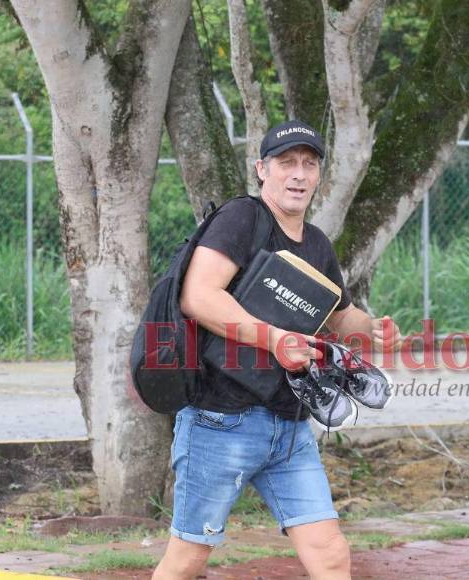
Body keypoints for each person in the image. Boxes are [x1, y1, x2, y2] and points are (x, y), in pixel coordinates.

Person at [151, 120, 402, 580]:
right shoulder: (241, 219)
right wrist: (274, 339)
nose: (299, 175)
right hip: (220, 421)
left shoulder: (318, 245)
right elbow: (199, 296)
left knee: (329, 554)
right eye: (286, 163)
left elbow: (339, 315)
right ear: (261, 169)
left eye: (309, 164)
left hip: (289, 426)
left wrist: (374, 329)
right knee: (188, 559)